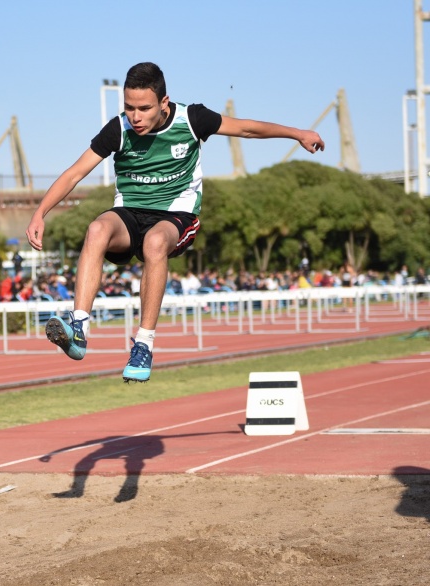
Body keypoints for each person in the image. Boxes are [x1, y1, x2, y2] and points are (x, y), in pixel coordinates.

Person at [26, 62, 324, 382]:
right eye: (129, 108)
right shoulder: (118, 129)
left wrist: (297, 134)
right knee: (97, 229)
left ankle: (144, 344)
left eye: (144, 108)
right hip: (130, 213)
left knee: (155, 242)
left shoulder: (192, 119)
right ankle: (79, 327)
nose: (135, 116)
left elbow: (247, 129)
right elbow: (74, 173)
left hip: (176, 216)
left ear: (164, 103)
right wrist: (40, 212)